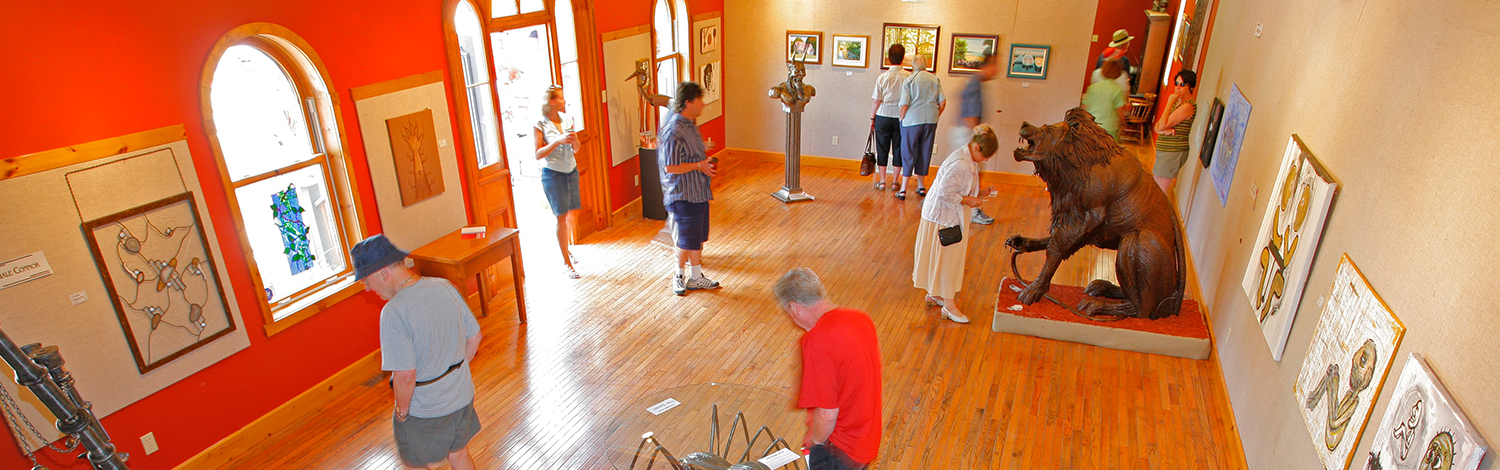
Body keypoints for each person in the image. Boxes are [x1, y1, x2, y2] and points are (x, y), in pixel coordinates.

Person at [351, 234, 482, 470]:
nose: (368, 288)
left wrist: (401, 413)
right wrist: (452, 374)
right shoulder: (444, 286)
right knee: (459, 455)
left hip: (425, 410)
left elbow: (405, 376)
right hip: (462, 397)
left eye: (366, 281)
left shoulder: (393, 313)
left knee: (415, 465)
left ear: (383, 273)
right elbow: (474, 337)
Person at [774, 267, 882, 470]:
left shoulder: (817, 340)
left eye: (788, 313)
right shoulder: (861, 319)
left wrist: (815, 445)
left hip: (839, 449)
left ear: (794, 307)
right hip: (867, 437)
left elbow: (827, 413)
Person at [913, 125, 999, 324]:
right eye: (985, 156)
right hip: (942, 217)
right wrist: (966, 200)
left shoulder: (966, 157)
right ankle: (949, 305)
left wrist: (982, 193)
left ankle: (935, 294)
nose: (986, 160)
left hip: (945, 215)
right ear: (976, 147)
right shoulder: (960, 163)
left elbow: (961, 187)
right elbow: (944, 192)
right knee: (948, 260)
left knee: (943, 258)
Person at [659, 81, 720, 296]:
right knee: (685, 240)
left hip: (698, 192)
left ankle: (695, 277)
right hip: (683, 195)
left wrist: (704, 156)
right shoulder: (674, 131)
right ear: (688, 102)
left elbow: (690, 156)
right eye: (699, 100)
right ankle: (679, 276)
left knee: (695, 239)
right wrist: (698, 165)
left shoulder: (690, 125)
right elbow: (670, 167)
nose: (702, 104)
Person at [533, 85, 583, 279]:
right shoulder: (540, 123)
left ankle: (566, 249)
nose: (564, 101)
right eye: (561, 98)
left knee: (571, 214)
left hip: (571, 170)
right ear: (552, 101)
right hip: (553, 174)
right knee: (561, 217)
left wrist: (574, 140)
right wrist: (557, 141)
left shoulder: (568, 119)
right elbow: (537, 153)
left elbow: (577, 148)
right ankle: (566, 262)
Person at [953, 51, 998, 225]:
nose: (996, 70)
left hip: (966, 134)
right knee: (972, 173)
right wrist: (976, 142)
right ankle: (972, 211)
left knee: (972, 173)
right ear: (988, 66)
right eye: (995, 65)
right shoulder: (974, 85)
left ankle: (968, 209)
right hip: (966, 134)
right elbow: (970, 116)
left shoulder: (976, 83)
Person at [896, 54, 945, 201]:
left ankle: (903, 188)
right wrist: (936, 115)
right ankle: (921, 186)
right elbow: (942, 102)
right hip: (930, 120)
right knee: (925, 150)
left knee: (908, 151)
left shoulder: (909, 80)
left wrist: (901, 117)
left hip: (911, 120)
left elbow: (904, 104)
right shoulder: (935, 79)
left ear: (913, 65)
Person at [868, 44, 909, 191]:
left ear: (889, 58)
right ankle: (896, 181)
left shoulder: (882, 77)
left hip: (883, 115)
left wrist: (872, 118)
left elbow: (876, 100)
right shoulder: (909, 77)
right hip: (901, 117)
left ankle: (883, 181)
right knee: (899, 148)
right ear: (902, 58)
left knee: (882, 148)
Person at [1153, 70, 1199, 193]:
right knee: (1156, 184)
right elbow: (1157, 127)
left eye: (1182, 85)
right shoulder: (1178, 104)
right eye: (1176, 84)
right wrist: (1163, 132)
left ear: (1191, 87)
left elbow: (1162, 125)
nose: (1178, 88)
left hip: (1172, 151)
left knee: (1160, 191)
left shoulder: (1187, 106)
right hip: (1165, 151)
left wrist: (1169, 101)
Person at [1081, 59, 1128, 139]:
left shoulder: (1092, 87)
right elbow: (1120, 110)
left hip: (1092, 124)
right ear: (1118, 73)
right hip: (1109, 126)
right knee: (1108, 148)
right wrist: (1123, 122)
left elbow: (1085, 107)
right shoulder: (1117, 90)